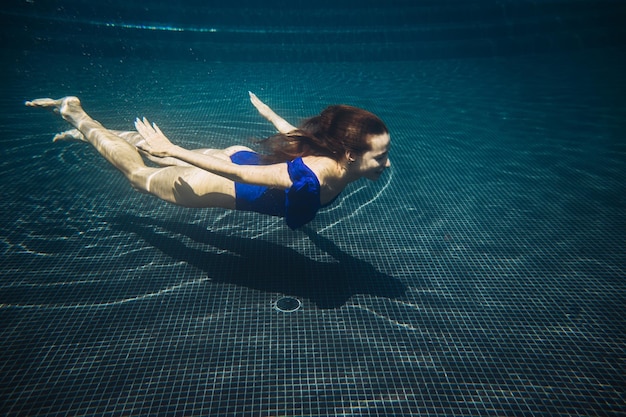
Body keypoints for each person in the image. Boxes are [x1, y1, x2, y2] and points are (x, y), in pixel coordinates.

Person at [25, 93, 391, 229]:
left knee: (152, 149)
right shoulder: (315, 176)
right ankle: (76, 115)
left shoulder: (329, 151)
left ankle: (93, 134)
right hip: (217, 180)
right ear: (351, 154)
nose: (387, 164)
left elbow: (294, 134)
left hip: (237, 155)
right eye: (382, 156)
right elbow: (238, 173)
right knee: (140, 173)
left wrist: (268, 114)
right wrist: (176, 152)